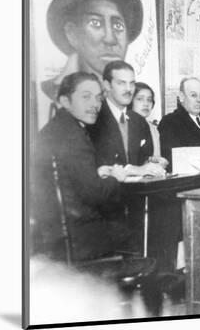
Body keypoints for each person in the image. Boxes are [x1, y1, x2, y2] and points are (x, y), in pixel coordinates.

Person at [31, 72, 132, 262]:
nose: (95, 104)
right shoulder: (74, 136)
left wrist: (96, 173)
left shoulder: (55, 129)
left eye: (99, 98)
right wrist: (116, 178)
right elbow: (95, 194)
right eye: (86, 96)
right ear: (65, 100)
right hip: (79, 239)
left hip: (53, 236)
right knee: (132, 230)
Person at [43, 0, 143, 101]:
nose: (110, 39)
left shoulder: (129, 99)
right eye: (95, 23)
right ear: (72, 33)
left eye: (118, 25)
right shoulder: (52, 94)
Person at [156, 77, 200, 271]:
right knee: (185, 255)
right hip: (182, 194)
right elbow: (171, 158)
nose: (199, 100)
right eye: (193, 95)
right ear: (181, 97)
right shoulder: (170, 122)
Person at [88, 61, 166, 177]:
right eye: (121, 83)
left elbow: (142, 160)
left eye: (132, 83)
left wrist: (151, 163)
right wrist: (133, 169)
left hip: (135, 193)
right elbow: (95, 164)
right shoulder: (94, 118)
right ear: (107, 85)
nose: (129, 89)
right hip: (105, 192)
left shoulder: (138, 121)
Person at [130, 82, 166, 163]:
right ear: (130, 101)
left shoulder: (153, 129)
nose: (146, 104)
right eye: (140, 99)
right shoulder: (123, 126)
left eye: (149, 100)